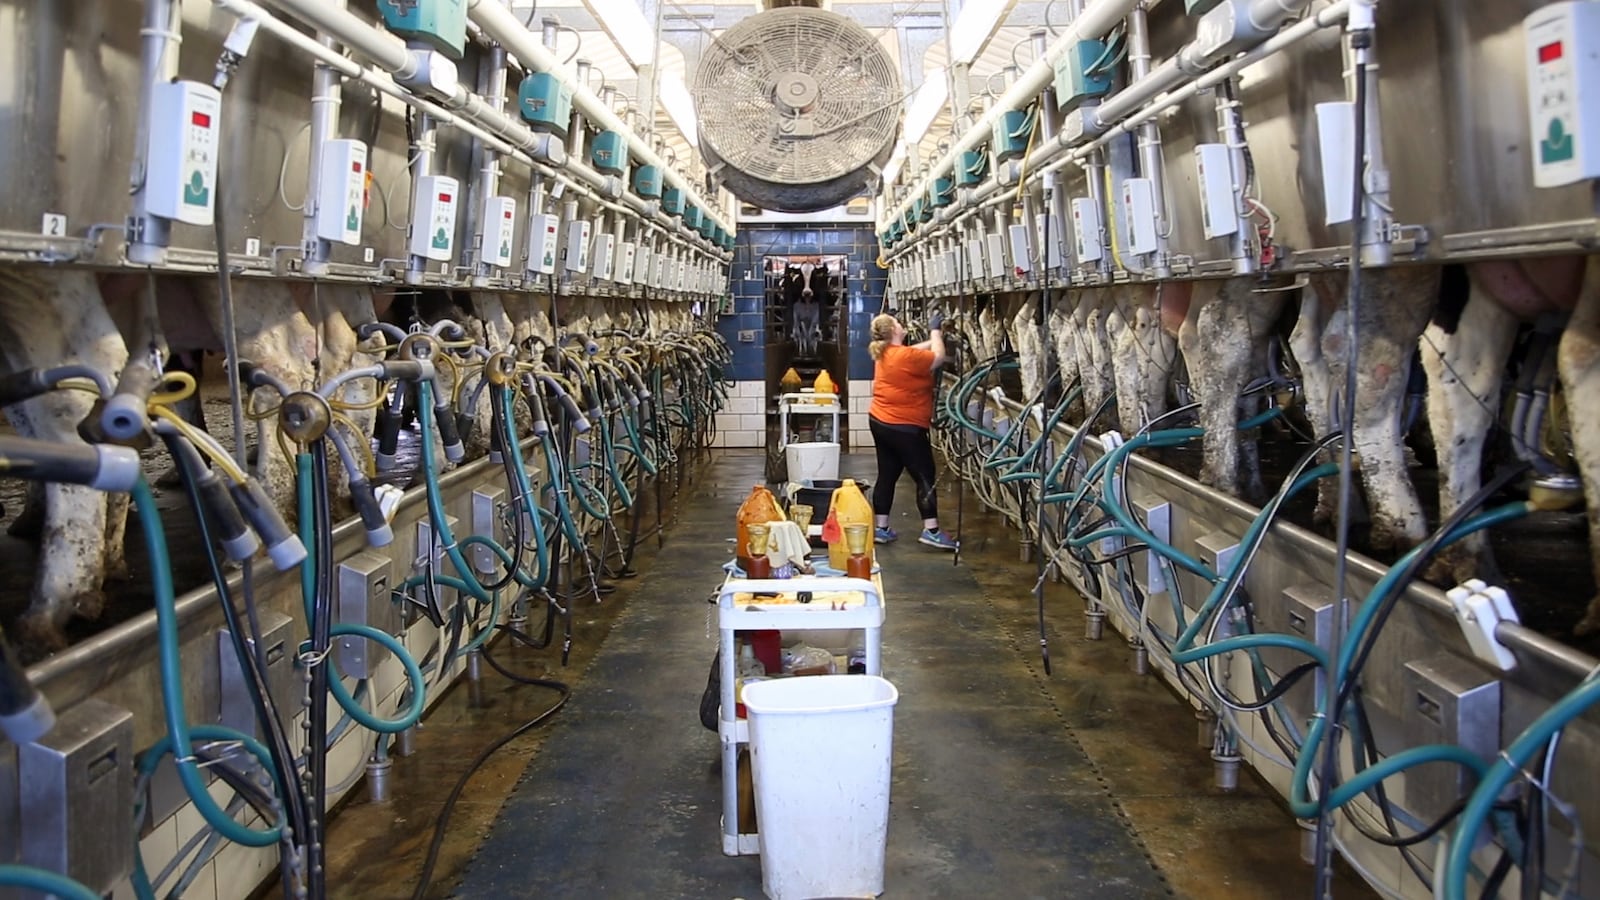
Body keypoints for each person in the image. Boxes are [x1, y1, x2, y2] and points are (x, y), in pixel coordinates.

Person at [866, 310, 958, 550]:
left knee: (887, 474)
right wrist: (936, 331)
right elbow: (938, 357)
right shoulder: (904, 356)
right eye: (898, 323)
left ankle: (882, 528)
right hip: (905, 425)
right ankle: (932, 531)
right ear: (894, 331)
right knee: (924, 474)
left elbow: (914, 351)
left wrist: (932, 337)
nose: (901, 324)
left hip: (880, 420)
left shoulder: (885, 352)